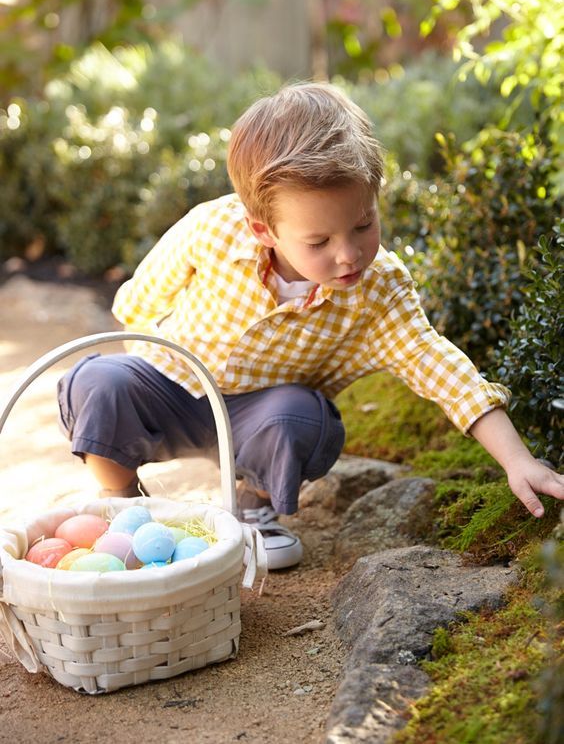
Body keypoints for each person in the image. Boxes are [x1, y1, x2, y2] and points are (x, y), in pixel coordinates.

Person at [57, 83, 564, 569]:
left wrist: (518, 459)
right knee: (99, 381)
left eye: (364, 225)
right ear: (264, 230)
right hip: (171, 385)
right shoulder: (212, 229)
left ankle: (254, 503)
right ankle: (121, 506)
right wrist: (123, 416)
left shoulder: (379, 289)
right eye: (318, 242)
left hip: (261, 416)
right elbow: (138, 304)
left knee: (301, 416)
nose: (348, 255)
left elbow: (439, 366)